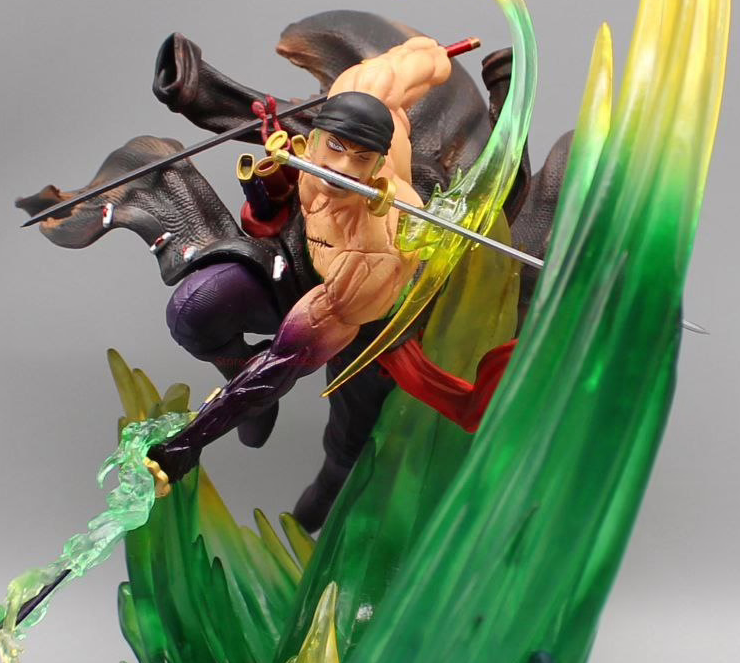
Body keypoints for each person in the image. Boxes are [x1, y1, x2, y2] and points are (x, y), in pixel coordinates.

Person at [147, 36, 516, 492]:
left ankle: (334, 488)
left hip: (371, 309)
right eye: (335, 147)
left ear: (378, 167)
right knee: (195, 308)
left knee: (355, 430)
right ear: (313, 139)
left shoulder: (372, 256)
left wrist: (187, 444)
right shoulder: (358, 92)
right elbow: (406, 65)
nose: (342, 167)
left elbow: (282, 364)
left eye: (361, 159)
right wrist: (435, 57)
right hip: (309, 257)